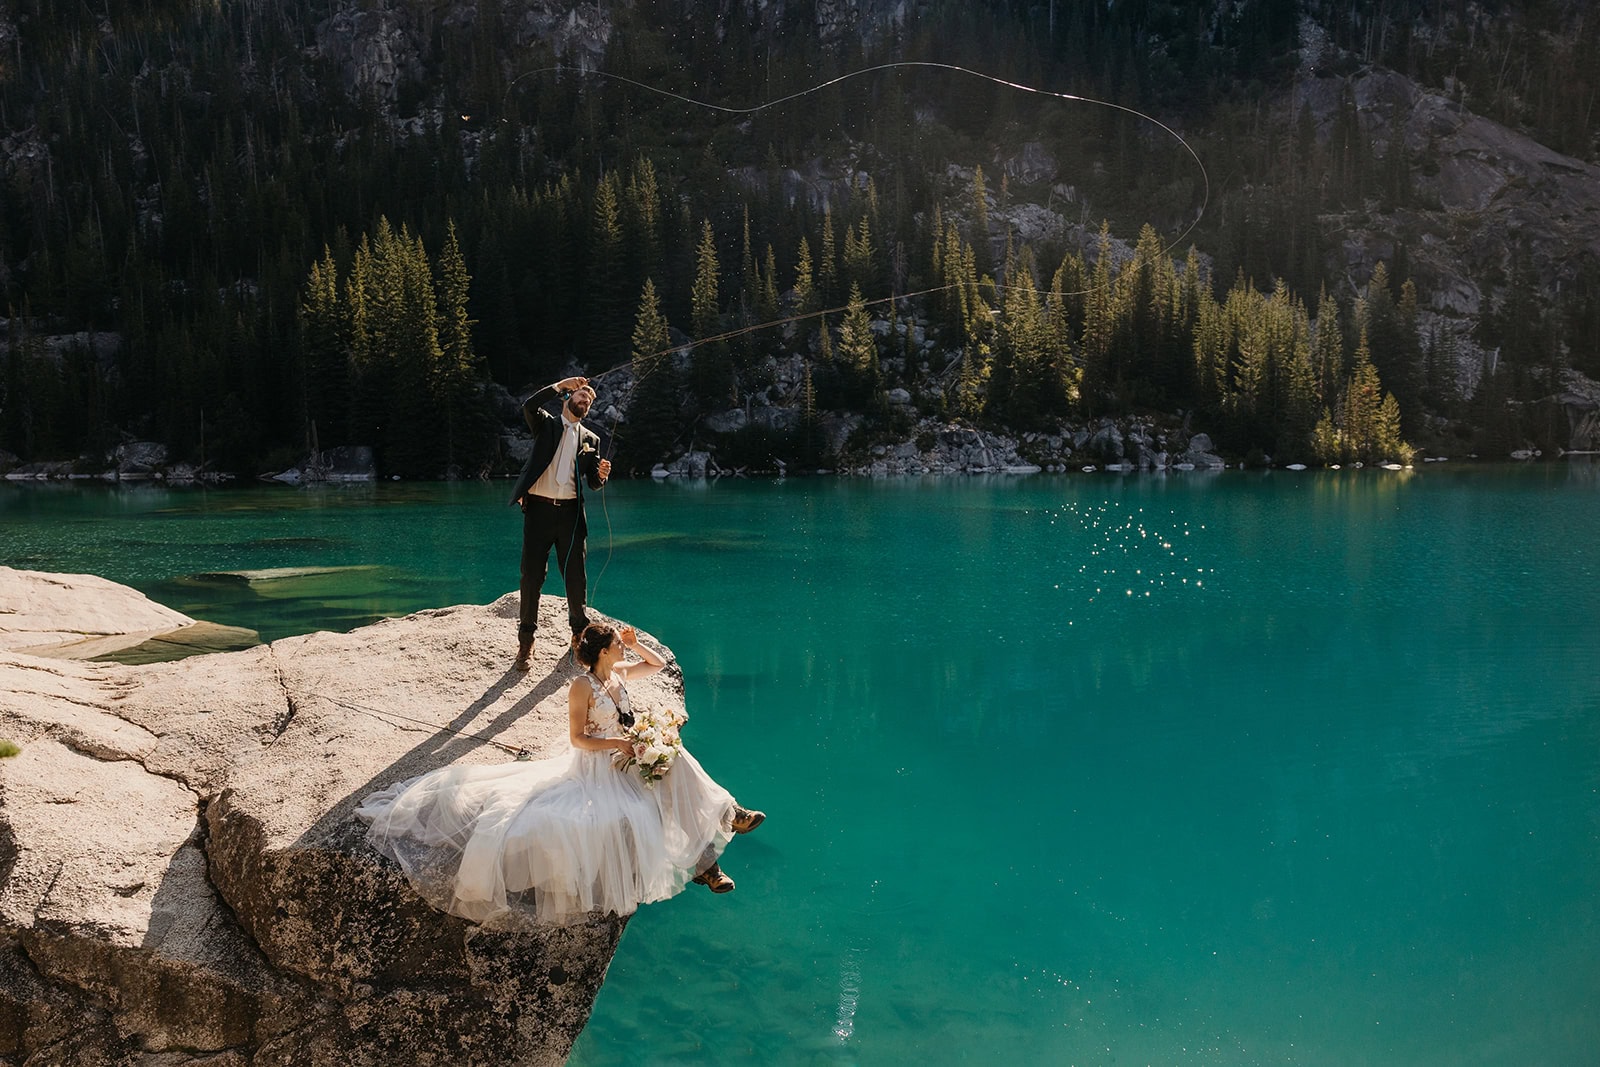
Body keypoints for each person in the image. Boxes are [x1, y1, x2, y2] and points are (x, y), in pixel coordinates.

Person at [355, 621, 764, 926]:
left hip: (629, 755)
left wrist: (638, 646)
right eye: (619, 646)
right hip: (599, 767)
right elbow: (578, 740)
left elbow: (655, 667)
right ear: (602, 651)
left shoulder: (619, 674)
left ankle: (722, 832)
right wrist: (619, 745)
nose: (623, 649)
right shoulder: (581, 688)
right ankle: (713, 855)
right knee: (657, 794)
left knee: (677, 761)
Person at [508, 376, 611, 671]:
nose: (585, 401)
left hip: (570, 515)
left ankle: (579, 637)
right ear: (568, 398)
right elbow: (528, 405)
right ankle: (526, 643)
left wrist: (601, 475)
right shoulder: (546, 425)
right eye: (581, 396)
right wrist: (559, 384)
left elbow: (592, 483)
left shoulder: (592, 440)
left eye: (589, 401)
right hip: (538, 512)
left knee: (576, 579)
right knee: (531, 577)